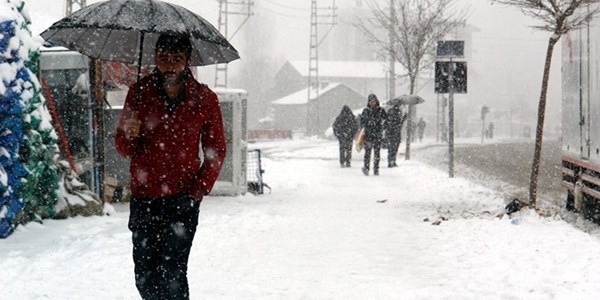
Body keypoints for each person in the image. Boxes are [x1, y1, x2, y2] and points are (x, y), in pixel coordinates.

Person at [115, 34, 226, 300]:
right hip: (144, 200)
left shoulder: (204, 98)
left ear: (188, 61)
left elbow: (216, 151)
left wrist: (197, 192)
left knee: (173, 274)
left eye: (177, 59)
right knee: (145, 276)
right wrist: (128, 134)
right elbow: (122, 148)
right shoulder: (139, 93)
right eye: (164, 58)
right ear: (155, 59)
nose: (170, 65)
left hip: (182, 201)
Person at [360, 94, 386, 175]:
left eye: (374, 101)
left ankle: (376, 169)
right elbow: (361, 122)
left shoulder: (381, 110)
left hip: (377, 135)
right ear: (368, 102)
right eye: (371, 101)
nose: (372, 103)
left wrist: (382, 127)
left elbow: (386, 120)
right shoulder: (365, 111)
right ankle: (366, 168)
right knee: (367, 153)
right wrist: (364, 128)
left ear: (376, 101)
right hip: (368, 135)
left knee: (377, 153)